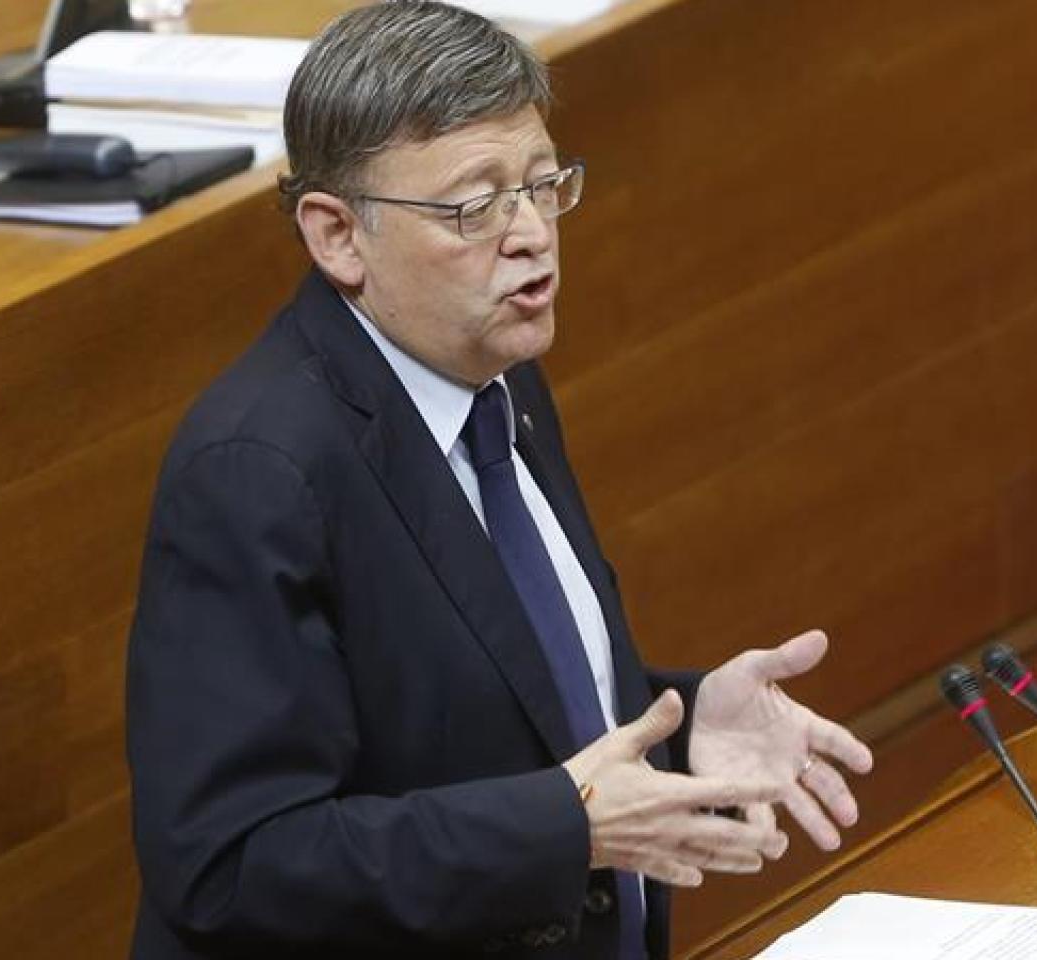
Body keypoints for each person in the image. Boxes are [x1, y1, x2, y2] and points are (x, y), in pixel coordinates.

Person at [124, 3, 872, 958]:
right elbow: (231, 863)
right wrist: (569, 826)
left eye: (541, 184)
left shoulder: (495, 373)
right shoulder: (255, 474)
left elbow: (483, 706)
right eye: (475, 204)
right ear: (337, 235)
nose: (530, 235)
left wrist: (677, 731)